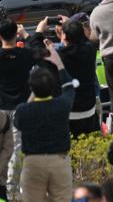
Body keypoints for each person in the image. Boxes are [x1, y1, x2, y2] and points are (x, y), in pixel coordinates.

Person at [0, 19, 41, 196]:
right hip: (22, 106)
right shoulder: (25, 55)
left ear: (0, 35)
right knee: (16, 147)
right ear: (16, 34)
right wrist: (27, 35)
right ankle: (12, 187)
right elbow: (39, 52)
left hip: (0, 107)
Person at [15, 41, 75, 202]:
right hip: (59, 161)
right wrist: (59, 64)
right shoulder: (62, 105)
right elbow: (69, 87)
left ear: (32, 88)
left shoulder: (24, 110)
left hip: (33, 162)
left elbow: (17, 123)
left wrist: (33, 93)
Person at [36, 17, 100, 137]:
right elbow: (84, 40)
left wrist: (39, 30)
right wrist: (71, 24)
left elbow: (34, 49)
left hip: (64, 113)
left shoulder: (56, 57)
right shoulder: (90, 50)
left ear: (63, 36)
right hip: (88, 111)